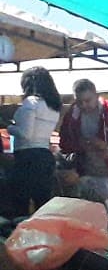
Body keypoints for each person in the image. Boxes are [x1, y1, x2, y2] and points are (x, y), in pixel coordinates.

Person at [57, 79, 108, 212]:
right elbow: (64, 143)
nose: (84, 105)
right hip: (85, 171)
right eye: (79, 101)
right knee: (88, 212)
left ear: (96, 95)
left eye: (88, 100)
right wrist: (80, 145)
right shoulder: (72, 114)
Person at [8, 67, 62, 213]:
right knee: (43, 203)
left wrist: (9, 128)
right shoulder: (53, 106)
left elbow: (26, 133)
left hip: (27, 157)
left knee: (21, 202)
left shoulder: (31, 103)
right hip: (44, 154)